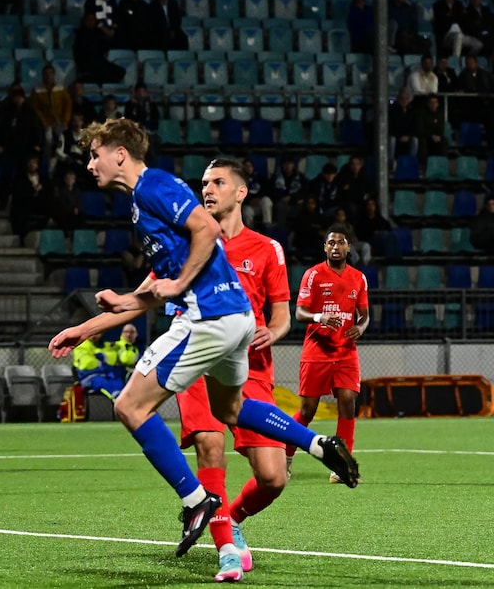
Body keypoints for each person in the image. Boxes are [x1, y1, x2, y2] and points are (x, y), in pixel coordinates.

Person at [47, 119, 360, 560]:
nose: (90, 163)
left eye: (95, 153)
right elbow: (156, 286)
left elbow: (204, 234)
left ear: (120, 153)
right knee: (226, 412)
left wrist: (176, 289)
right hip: (234, 323)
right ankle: (314, 444)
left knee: (129, 406)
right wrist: (92, 323)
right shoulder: (146, 203)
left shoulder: (153, 187)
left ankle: (197, 502)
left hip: (206, 321)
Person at [171, 158, 293, 582]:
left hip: (251, 371)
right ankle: (225, 549)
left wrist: (271, 334)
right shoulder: (188, 244)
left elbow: (282, 316)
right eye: (204, 183)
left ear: (241, 192)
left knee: (273, 478)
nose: (207, 189)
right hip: (199, 364)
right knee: (210, 446)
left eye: (218, 182)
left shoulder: (266, 249)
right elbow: (173, 306)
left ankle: (233, 517)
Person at [288, 224, 370, 484]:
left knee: (347, 402)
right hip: (317, 352)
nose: (336, 247)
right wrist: (319, 316)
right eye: (331, 243)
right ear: (325, 247)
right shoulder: (313, 275)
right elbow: (299, 313)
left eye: (341, 242)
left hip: (346, 352)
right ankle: (286, 456)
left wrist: (360, 327)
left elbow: (365, 316)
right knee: (307, 409)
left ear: (348, 247)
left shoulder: (359, 277)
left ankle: (341, 465)